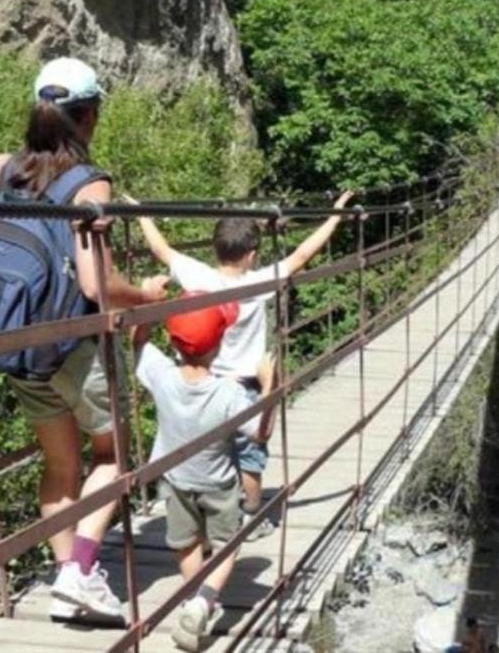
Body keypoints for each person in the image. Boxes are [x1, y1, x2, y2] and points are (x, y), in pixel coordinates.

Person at [0, 57, 168, 623]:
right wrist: (148, 297)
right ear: (91, 115)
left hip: (19, 341)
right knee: (116, 452)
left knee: (59, 467)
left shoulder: (14, 172)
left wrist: (14, 171)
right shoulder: (88, 183)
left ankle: (66, 579)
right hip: (72, 347)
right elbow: (96, 283)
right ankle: (79, 571)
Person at [131, 190, 354, 535]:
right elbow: (301, 255)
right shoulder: (257, 283)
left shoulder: (198, 276)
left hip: (204, 379)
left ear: (215, 248)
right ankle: (252, 512)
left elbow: (161, 249)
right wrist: (335, 216)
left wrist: (141, 212)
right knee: (250, 453)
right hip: (247, 384)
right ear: (251, 256)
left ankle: (197, 507)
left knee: (204, 447)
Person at [132, 293, 255, 651]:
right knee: (227, 544)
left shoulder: (162, 375)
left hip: (175, 479)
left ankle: (193, 601)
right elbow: (260, 431)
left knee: (185, 544)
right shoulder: (230, 393)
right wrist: (271, 382)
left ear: (173, 341)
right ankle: (204, 601)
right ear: (219, 345)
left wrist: (150, 303)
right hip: (218, 484)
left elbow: (138, 341)